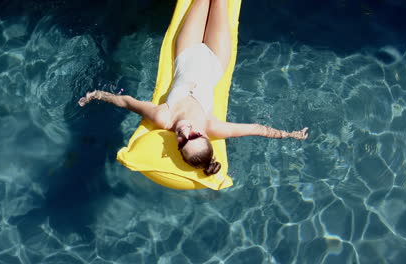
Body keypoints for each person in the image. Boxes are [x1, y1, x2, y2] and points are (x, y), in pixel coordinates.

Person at [78, 0, 308, 176]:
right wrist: (288, 134)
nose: (183, 134)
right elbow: (256, 128)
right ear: (205, 135)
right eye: (194, 136)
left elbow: (127, 101)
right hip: (216, 58)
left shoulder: (163, 118)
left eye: (181, 143)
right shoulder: (212, 125)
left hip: (187, 52)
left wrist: (97, 95)